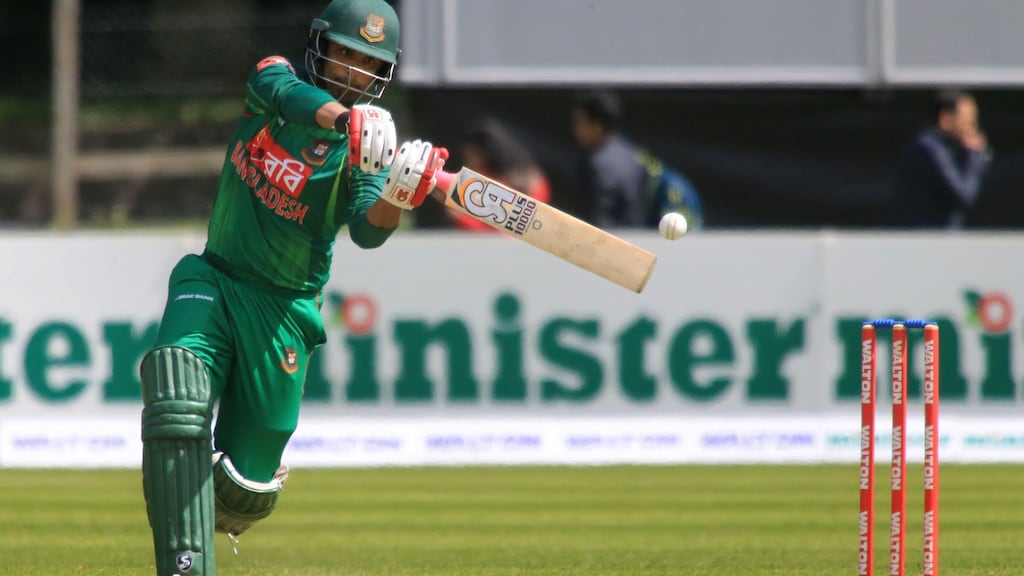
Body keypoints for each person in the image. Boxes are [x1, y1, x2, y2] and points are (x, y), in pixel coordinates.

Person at [138, 1, 448, 575]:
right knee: (175, 394)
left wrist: (398, 195)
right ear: (320, 46)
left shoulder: (366, 160)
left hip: (284, 312)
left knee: (241, 494)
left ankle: (201, 503)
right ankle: (183, 567)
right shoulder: (275, 83)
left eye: (368, 64)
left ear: (383, 74)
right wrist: (342, 119)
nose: (354, 71)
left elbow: (368, 232)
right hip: (215, 277)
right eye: (346, 54)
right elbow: (279, 89)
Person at [571, 90, 703, 230]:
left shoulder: (597, 165)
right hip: (639, 239)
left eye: (579, 122)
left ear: (597, 126)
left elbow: (599, 223)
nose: (574, 129)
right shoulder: (632, 154)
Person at [890, 89, 992, 229]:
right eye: (967, 122)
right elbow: (963, 195)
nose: (972, 129)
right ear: (946, 119)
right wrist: (974, 156)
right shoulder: (929, 150)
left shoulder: (944, 147)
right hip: (926, 241)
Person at [448, 118, 552, 232]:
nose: (468, 158)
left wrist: (462, 218)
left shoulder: (516, 176)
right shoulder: (479, 174)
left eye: (472, 153)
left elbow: (503, 227)